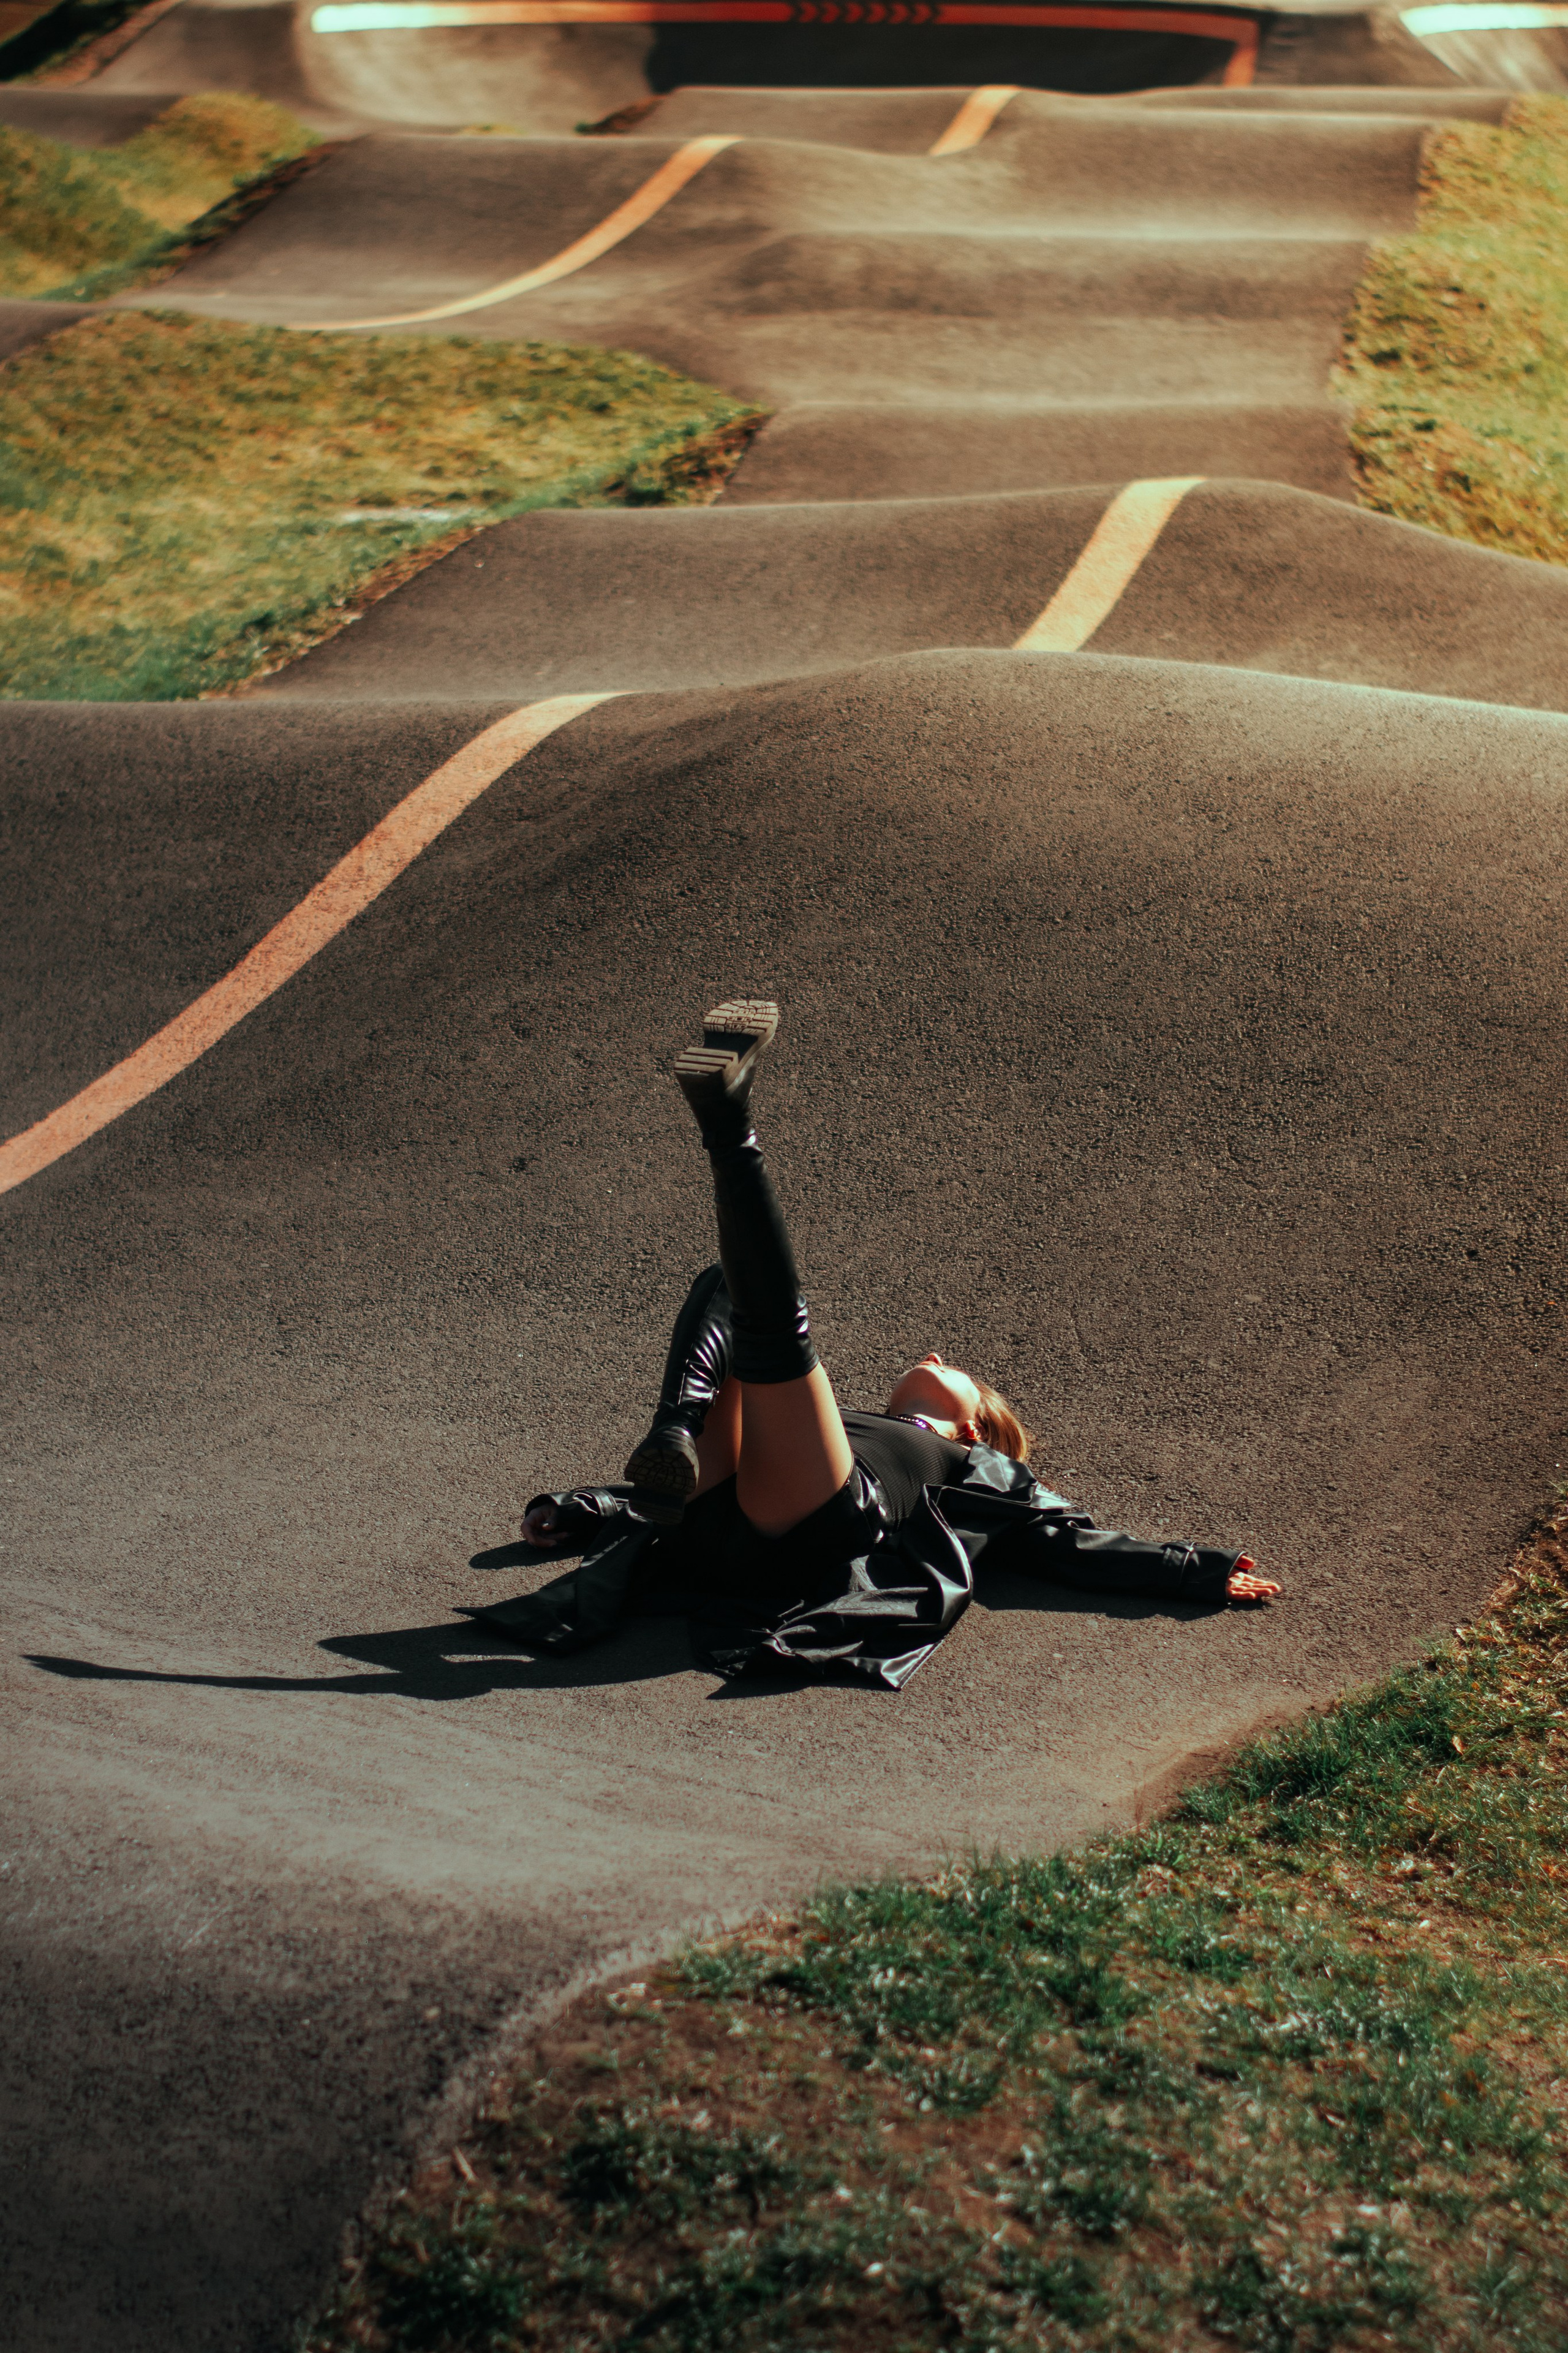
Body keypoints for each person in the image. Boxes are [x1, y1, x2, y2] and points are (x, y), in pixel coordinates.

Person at [483, 999, 1278, 1687]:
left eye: (961, 1373)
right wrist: (581, 1509)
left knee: (774, 1326)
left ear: (975, 1427)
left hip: (807, 1532)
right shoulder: (834, 1420)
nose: (936, 1354)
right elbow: (659, 1485)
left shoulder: (982, 1469)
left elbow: (1077, 1542)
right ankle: (673, 1430)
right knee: (727, 1288)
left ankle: (728, 1121)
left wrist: (1197, 1570)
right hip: (704, 1512)